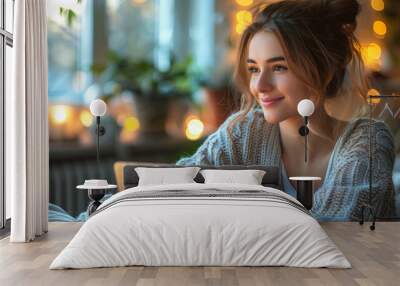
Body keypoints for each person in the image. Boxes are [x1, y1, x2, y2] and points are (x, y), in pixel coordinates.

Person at [177, 0, 395, 221]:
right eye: (254, 69)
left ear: (325, 70)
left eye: (279, 67)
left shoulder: (369, 141)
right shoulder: (245, 132)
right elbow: (174, 192)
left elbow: (338, 235)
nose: (260, 86)